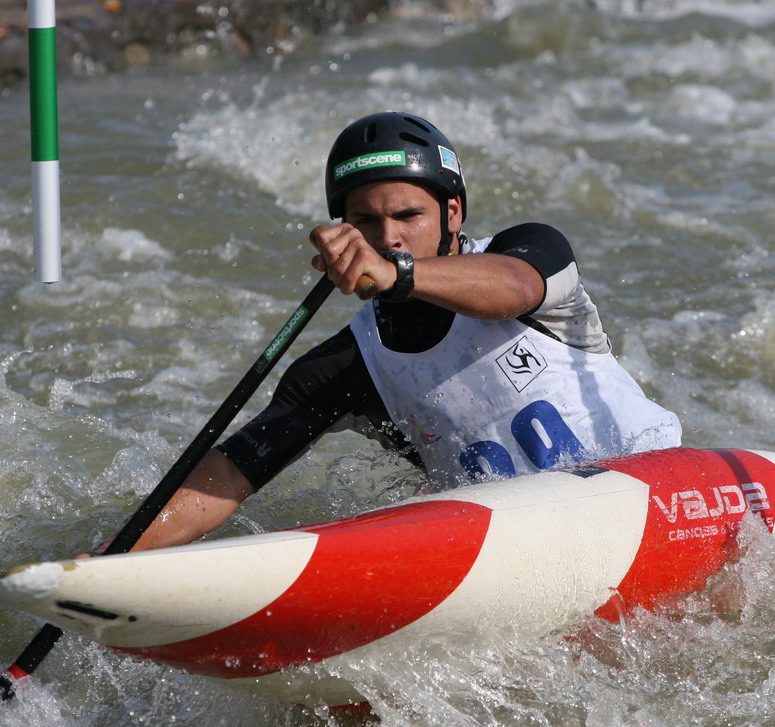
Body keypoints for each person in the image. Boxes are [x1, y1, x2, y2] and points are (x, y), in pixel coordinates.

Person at [106, 111, 682, 553]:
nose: (388, 237)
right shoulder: (347, 368)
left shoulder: (530, 252)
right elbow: (230, 474)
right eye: (365, 221)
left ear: (452, 214)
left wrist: (397, 275)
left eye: (408, 216)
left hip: (662, 498)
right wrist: (113, 562)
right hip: (526, 553)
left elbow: (515, 288)